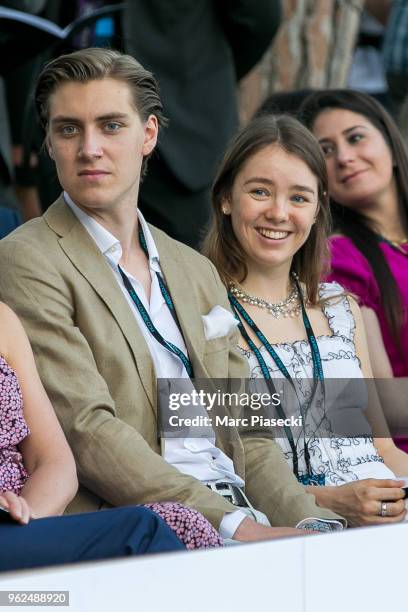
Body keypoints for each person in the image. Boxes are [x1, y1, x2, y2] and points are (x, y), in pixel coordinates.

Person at [0, 48, 342, 544]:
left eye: (111, 125)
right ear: (49, 144)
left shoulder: (192, 267)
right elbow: (88, 429)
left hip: (242, 510)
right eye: (68, 128)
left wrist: (310, 524)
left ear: (149, 134)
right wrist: (237, 528)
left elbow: (246, 428)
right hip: (140, 527)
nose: (89, 147)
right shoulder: (26, 258)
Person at [203, 113, 408, 527]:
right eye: (260, 191)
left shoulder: (339, 306)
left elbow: (384, 449)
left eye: (299, 197)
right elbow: (210, 476)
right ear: (226, 197)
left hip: (389, 514)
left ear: (317, 210)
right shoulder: (200, 314)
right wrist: (328, 501)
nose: (279, 213)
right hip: (286, 526)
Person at [0, 301, 195, 573]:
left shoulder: (3, 319)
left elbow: (54, 462)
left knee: (183, 524)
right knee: (141, 531)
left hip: (25, 518)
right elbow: (89, 425)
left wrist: (26, 521)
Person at [123, 0, 281, 249]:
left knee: (192, 275)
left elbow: (260, 18)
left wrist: (201, 81)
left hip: (181, 142)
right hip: (68, 136)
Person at [300, 89, 408, 452]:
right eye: (326, 150)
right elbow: (387, 407)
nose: (345, 157)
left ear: (390, 144)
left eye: (356, 137)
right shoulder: (338, 261)